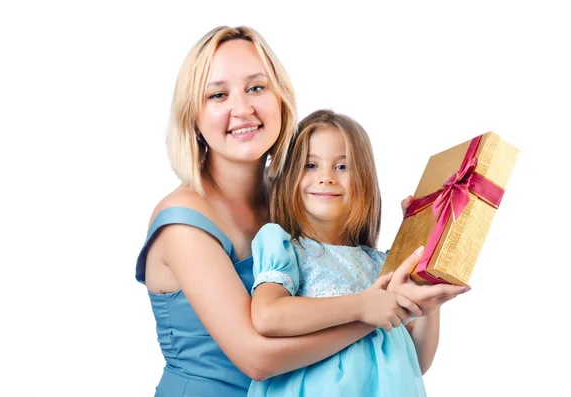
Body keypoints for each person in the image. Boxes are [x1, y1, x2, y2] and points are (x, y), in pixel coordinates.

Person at [135, 26, 467, 397]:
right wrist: (373, 313)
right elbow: (257, 359)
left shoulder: (294, 200)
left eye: (256, 88)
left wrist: (419, 262)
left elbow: (374, 314)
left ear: (280, 99)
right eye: (218, 94)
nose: (243, 108)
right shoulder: (183, 223)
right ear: (192, 116)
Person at [247, 110, 470, 396]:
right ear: (289, 176)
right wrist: (362, 306)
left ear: (364, 179)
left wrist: (429, 286)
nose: (326, 178)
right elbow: (268, 316)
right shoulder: (284, 247)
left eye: (342, 167)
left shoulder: (383, 265)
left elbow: (417, 361)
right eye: (310, 165)